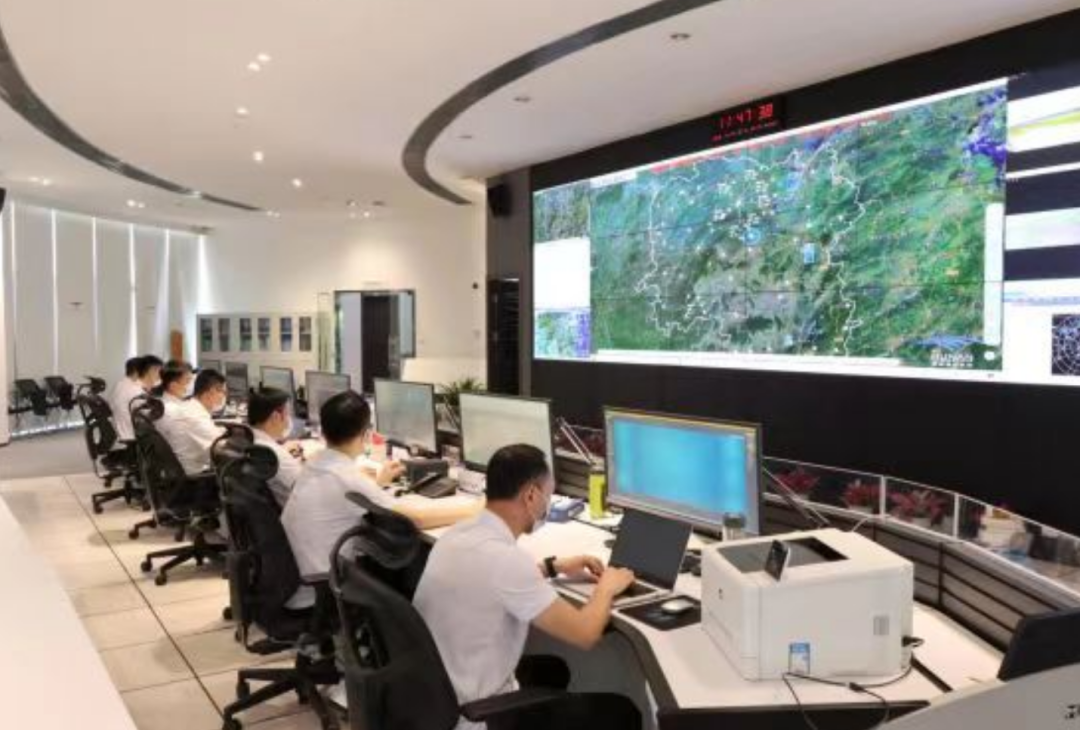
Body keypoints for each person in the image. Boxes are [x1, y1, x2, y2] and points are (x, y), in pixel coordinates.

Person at [413, 444, 640, 730]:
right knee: (621, 712)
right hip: (474, 715)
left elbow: (490, 579)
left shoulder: (458, 534)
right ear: (531, 495)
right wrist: (607, 587)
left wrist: (552, 567)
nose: (548, 504)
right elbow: (585, 634)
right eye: (548, 494)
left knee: (553, 670)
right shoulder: (507, 560)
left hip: (436, 695)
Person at [282, 390, 479, 608]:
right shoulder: (348, 477)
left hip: (299, 579)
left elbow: (346, 492)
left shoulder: (317, 463)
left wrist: (376, 483)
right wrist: (477, 508)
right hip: (322, 591)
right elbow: (415, 520)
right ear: (366, 433)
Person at [156, 363, 227, 476]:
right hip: (195, 477)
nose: (224, 397)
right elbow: (221, 446)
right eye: (223, 392)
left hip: (181, 471)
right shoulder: (194, 415)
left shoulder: (189, 407)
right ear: (212, 392)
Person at [247, 387, 303, 508]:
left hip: (261, 513)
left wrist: (283, 450)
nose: (289, 420)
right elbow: (306, 486)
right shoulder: (277, 455)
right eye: (288, 414)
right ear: (275, 417)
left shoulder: (247, 439)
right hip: (290, 512)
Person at [109, 355, 163, 441]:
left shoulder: (121, 383)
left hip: (119, 430)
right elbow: (153, 418)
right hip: (131, 435)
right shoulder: (136, 392)